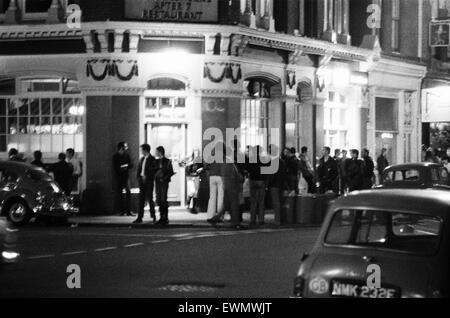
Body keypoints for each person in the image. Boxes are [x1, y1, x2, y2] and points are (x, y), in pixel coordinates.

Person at [134, 144, 157, 224]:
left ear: (145, 150)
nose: (141, 151)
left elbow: (153, 170)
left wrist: (147, 176)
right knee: (141, 200)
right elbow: (138, 170)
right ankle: (139, 217)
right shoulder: (141, 159)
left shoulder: (152, 159)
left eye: (142, 150)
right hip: (142, 182)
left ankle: (153, 216)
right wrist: (139, 179)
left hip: (149, 182)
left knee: (150, 199)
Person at [246, 146, 268, 226]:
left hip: (252, 180)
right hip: (261, 181)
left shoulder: (250, 159)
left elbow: (247, 169)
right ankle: (261, 220)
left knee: (253, 201)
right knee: (261, 201)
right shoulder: (264, 159)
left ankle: (252, 220)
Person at [267, 144, 288, 226]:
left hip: (274, 185)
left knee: (276, 203)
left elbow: (272, 175)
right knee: (280, 202)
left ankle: (277, 220)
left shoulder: (273, 162)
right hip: (281, 184)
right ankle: (281, 219)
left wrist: (268, 184)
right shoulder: (281, 161)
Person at [206, 142, 226, 224]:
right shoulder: (224, 157)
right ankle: (219, 216)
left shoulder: (211, 156)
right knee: (221, 197)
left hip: (212, 177)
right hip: (221, 177)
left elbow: (207, 166)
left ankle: (210, 215)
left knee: (212, 197)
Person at [154, 146, 175, 226]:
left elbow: (171, 172)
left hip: (164, 183)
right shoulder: (156, 161)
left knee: (163, 199)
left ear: (160, 152)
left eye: (156, 151)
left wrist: (164, 178)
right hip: (158, 182)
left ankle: (165, 218)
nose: (155, 153)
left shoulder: (167, 161)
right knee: (159, 199)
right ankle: (161, 217)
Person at [113, 142, 134, 217]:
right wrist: (124, 167)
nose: (126, 148)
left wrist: (125, 166)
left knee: (128, 193)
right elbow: (116, 167)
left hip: (126, 177)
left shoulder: (127, 155)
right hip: (119, 177)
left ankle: (128, 211)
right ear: (121, 148)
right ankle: (122, 211)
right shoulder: (115, 157)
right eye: (125, 146)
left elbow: (131, 164)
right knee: (120, 194)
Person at [184, 149, 204, 214]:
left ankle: (194, 207)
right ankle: (188, 204)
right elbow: (186, 169)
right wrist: (189, 164)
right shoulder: (189, 160)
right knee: (192, 191)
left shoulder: (200, 161)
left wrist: (201, 170)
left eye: (197, 153)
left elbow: (203, 168)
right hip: (190, 177)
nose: (196, 155)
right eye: (195, 153)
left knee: (195, 193)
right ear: (193, 154)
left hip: (197, 177)